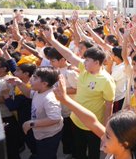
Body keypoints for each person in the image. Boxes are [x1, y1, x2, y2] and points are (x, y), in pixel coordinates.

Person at [43, 26, 116, 159]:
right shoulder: (84, 67)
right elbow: (68, 55)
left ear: (97, 62)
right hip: (76, 119)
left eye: (87, 60)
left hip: (93, 125)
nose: (84, 61)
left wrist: (105, 129)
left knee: (93, 153)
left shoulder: (106, 80)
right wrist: (52, 40)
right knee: (78, 151)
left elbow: (109, 106)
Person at [53, 77, 136, 159]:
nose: (102, 138)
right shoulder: (118, 144)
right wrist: (65, 99)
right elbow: (92, 122)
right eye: (105, 133)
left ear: (124, 144)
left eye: (107, 136)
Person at [11, 67, 63, 159]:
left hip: (49, 135)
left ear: (44, 83)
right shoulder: (38, 91)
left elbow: (55, 118)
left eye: (34, 78)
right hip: (41, 133)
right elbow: (28, 94)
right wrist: (19, 83)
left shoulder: (50, 98)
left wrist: (31, 123)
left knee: (47, 155)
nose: (31, 79)